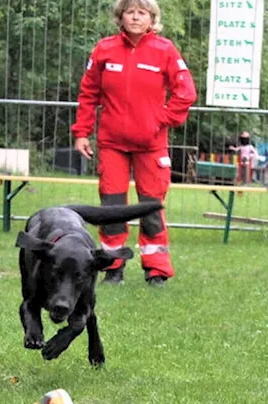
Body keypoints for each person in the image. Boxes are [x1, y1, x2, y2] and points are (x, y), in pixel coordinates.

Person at [72, 0, 196, 285]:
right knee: (112, 206)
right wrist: (82, 132)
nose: (136, 17)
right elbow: (88, 93)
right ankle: (112, 267)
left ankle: (156, 270)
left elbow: (186, 92)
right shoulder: (104, 49)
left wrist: (162, 119)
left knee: (151, 206)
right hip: (112, 143)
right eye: (130, 11)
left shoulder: (164, 50)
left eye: (142, 12)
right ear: (121, 16)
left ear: (152, 18)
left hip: (151, 144)